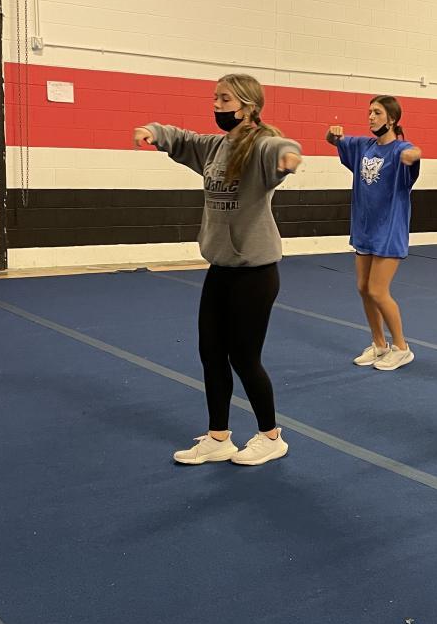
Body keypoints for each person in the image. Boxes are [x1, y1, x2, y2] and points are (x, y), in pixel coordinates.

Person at [134, 73, 301, 467]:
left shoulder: (260, 147)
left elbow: (279, 147)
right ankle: (218, 437)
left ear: (248, 107)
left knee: (244, 358)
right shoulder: (215, 147)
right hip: (221, 268)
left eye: (225, 100)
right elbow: (184, 139)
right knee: (210, 353)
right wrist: (155, 132)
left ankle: (271, 436)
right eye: (215, 99)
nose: (217, 106)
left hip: (255, 272)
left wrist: (288, 157)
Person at [326, 96, 421, 371]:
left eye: (377, 113)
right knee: (363, 288)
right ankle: (379, 344)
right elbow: (334, 141)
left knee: (378, 291)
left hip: (389, 230)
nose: (370, 117)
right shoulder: (363, 146)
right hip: (364, 229)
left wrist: (414, 155)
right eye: (369, 112)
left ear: (391, 119)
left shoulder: (400, 149)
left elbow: (415, 152)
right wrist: (332, 134)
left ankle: (402, 348)